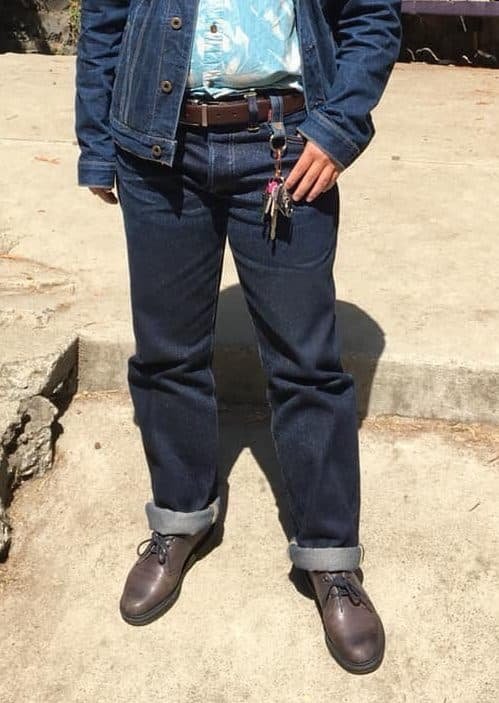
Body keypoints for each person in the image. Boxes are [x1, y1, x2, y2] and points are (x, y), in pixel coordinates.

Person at [75, 0, 401, 675]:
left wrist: (340, 126)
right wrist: (97, 145)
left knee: (307, 364)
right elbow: (104, 16)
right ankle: (180, 515)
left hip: (283, 148)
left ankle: (329, 556)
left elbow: (372, 16)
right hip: (157, 149)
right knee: (167, 353)